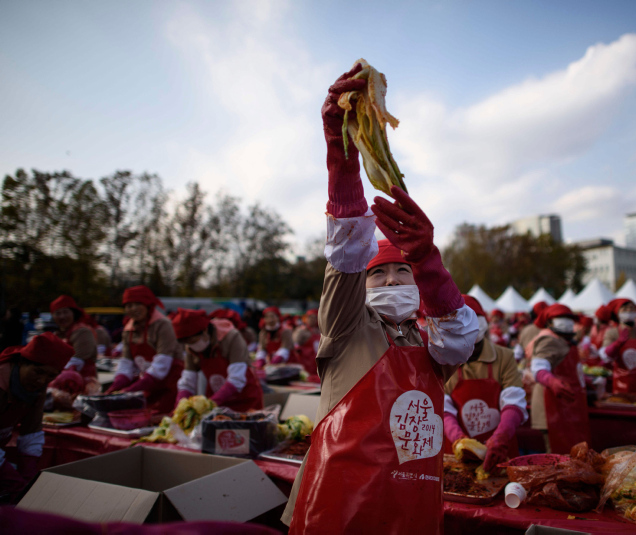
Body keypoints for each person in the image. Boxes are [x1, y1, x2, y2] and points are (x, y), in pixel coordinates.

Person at [282, 64, 478, 534]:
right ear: (362, 288)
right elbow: (347, 255)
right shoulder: (348, 325)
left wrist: (426, 257)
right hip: (337, 507)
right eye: (379, 275)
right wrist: (342, 156)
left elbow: (459, 338)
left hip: (410, 508)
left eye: (401, 271)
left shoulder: (430, 340)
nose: (391, 282)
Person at [444, 295, 527, 472]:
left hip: (501, 451)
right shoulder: (444, 359)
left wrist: (501, 437)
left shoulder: (504, 356)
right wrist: (459, 439)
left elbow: (514, 402)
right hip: (457, 453)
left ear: (483, 323)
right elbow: (442, 407)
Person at [0, 332, 73, 498]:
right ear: (21, 363)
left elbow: (31, 430)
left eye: (51, 376)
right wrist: (13, 480)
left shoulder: (36, 389)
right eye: (37, 372)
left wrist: (28, 475)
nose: (42, 381)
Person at [106, 286, 183, 414]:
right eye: (129, 305)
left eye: (138, 304)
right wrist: (116, 386)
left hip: (170, 386)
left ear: (148, 305)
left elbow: (162, 365)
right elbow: (126, 363)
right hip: (149, 385)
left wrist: (132, 389)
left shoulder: (163, 325)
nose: (133, 309)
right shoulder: (128, 330)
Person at [526, 304, 590, 454]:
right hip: (552, 408)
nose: (566, 321)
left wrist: (586, 381)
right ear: (549, 322)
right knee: (558, 455)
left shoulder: (566, 341)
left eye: (569, 318)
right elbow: (538, 367)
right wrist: (552, 381)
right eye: (561, 318)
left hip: (568, 406)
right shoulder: (548, 340)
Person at [172, 309, 262, 412]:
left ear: (205, 331)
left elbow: (236, 379)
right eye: (186, 342)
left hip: (246, 401)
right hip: (219, 402)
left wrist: (210, 404)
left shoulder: (231, 337)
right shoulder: (191, 348)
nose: (191, 345)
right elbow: (188, 381)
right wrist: (180, 408)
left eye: (193, 341)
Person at [48, 295, 98, 390]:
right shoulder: (57, 334)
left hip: (83, 385)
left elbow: (76, 361)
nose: (62, 316)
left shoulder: (83, 331)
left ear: (74, 313)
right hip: (61, 383)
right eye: (58, 313)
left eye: (65, 312)